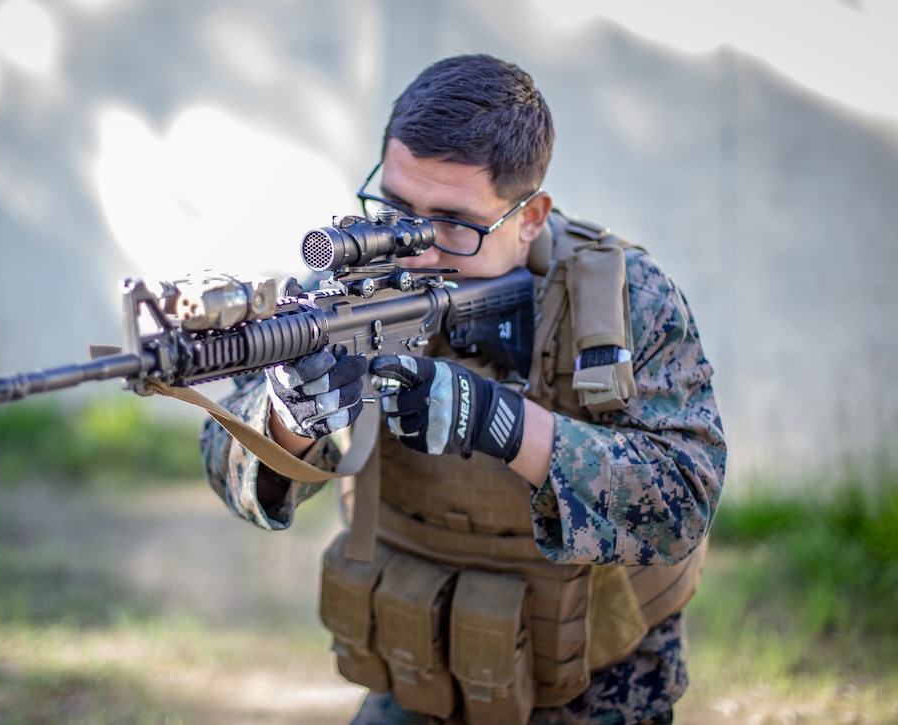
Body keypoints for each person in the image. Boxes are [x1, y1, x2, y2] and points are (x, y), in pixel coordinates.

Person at [200, 54, 726, 725]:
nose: (413, 249)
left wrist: (506, 425)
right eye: (394, 208)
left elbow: (686, 495)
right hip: (415, 673)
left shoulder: (622, 297)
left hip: (596, 690)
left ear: (531, 217)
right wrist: (287, 421)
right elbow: (229, 461)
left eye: (452, 224)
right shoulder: (353, 289)